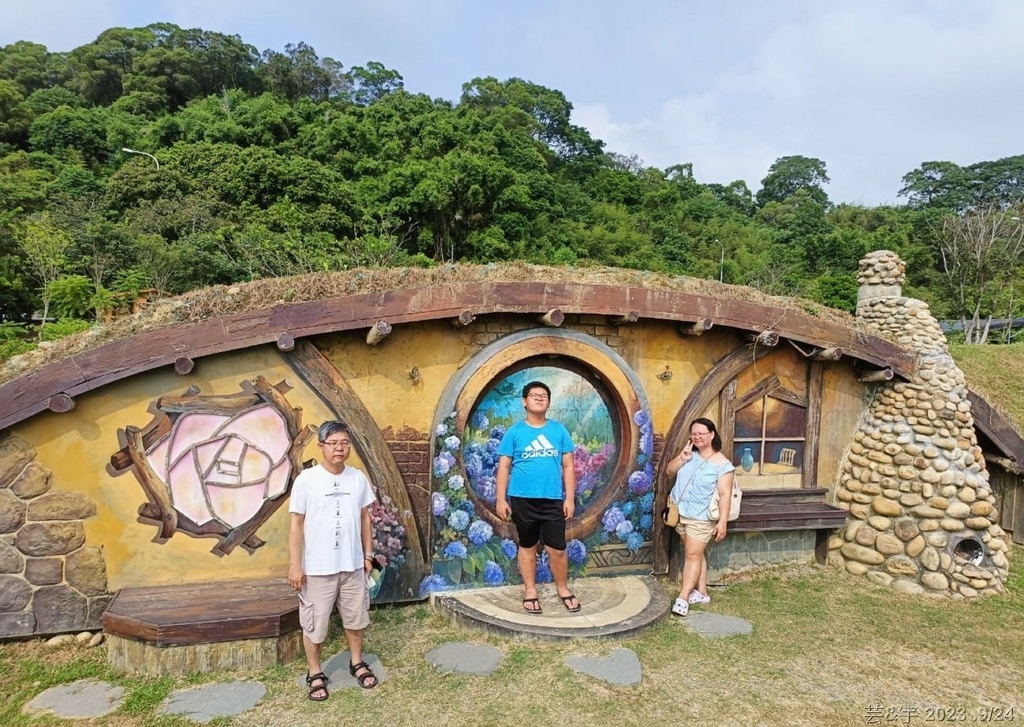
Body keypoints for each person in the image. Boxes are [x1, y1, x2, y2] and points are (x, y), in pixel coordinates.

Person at [289, 420, 378, 700]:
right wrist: (295, 564)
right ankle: (314, 671)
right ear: (321, 446)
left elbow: (366, 518)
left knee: (356, 618)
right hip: (318, 568)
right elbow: (296, 524)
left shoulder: (357, 478)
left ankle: (356, 662)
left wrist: (367, 554)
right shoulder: (307, 480)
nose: (339, 448)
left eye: (344, 443)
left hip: (352, 565)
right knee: (315, 623)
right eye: (333, 443)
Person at [495, 381, 580, 614]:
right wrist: (500, 500)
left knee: (557, 549)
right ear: (524, 401)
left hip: (552, 499)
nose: (540, 398)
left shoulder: (559, 430)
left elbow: (569, 466)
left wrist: (569, 498)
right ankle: (530, 591)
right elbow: (503, 468)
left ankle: (563, 588)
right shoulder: (514, 432)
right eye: (534, 395)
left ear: (549, 402)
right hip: (522, 499)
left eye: (544, 395)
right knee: (527, 545)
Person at [665, 417, 735, 617]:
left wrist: (722, 522)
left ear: (712, 435)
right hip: (680, 513)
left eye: (701, 433)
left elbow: (725, 495)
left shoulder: (723, 465)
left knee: (692, 555)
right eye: (693, 434)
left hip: (701, 517)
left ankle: (683, 597)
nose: (697, 437)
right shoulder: (689, 455)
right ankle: (702, 592)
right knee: (695, 553)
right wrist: (682, 458)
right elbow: (669, 471)